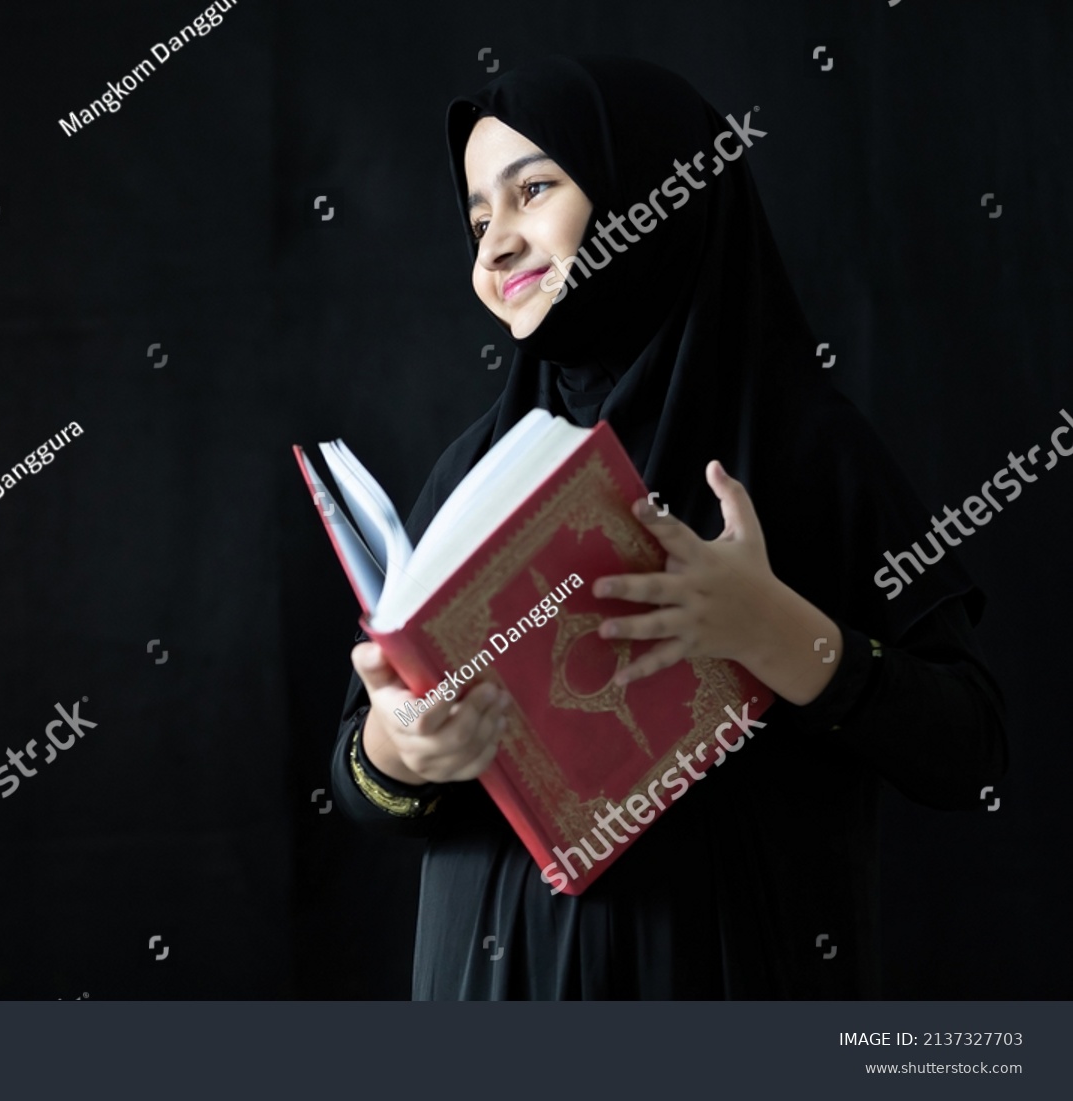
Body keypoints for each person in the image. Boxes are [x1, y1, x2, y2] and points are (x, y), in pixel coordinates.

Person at [329, 55, 1008, 999]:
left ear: (650, 188)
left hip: (726, 977)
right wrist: (396, 752)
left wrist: (776, 632)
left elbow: (971, 745)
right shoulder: (474, 474)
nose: (495, 247)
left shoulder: (807, 453)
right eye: (479, 218)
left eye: (533, 192)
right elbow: (366, 785)